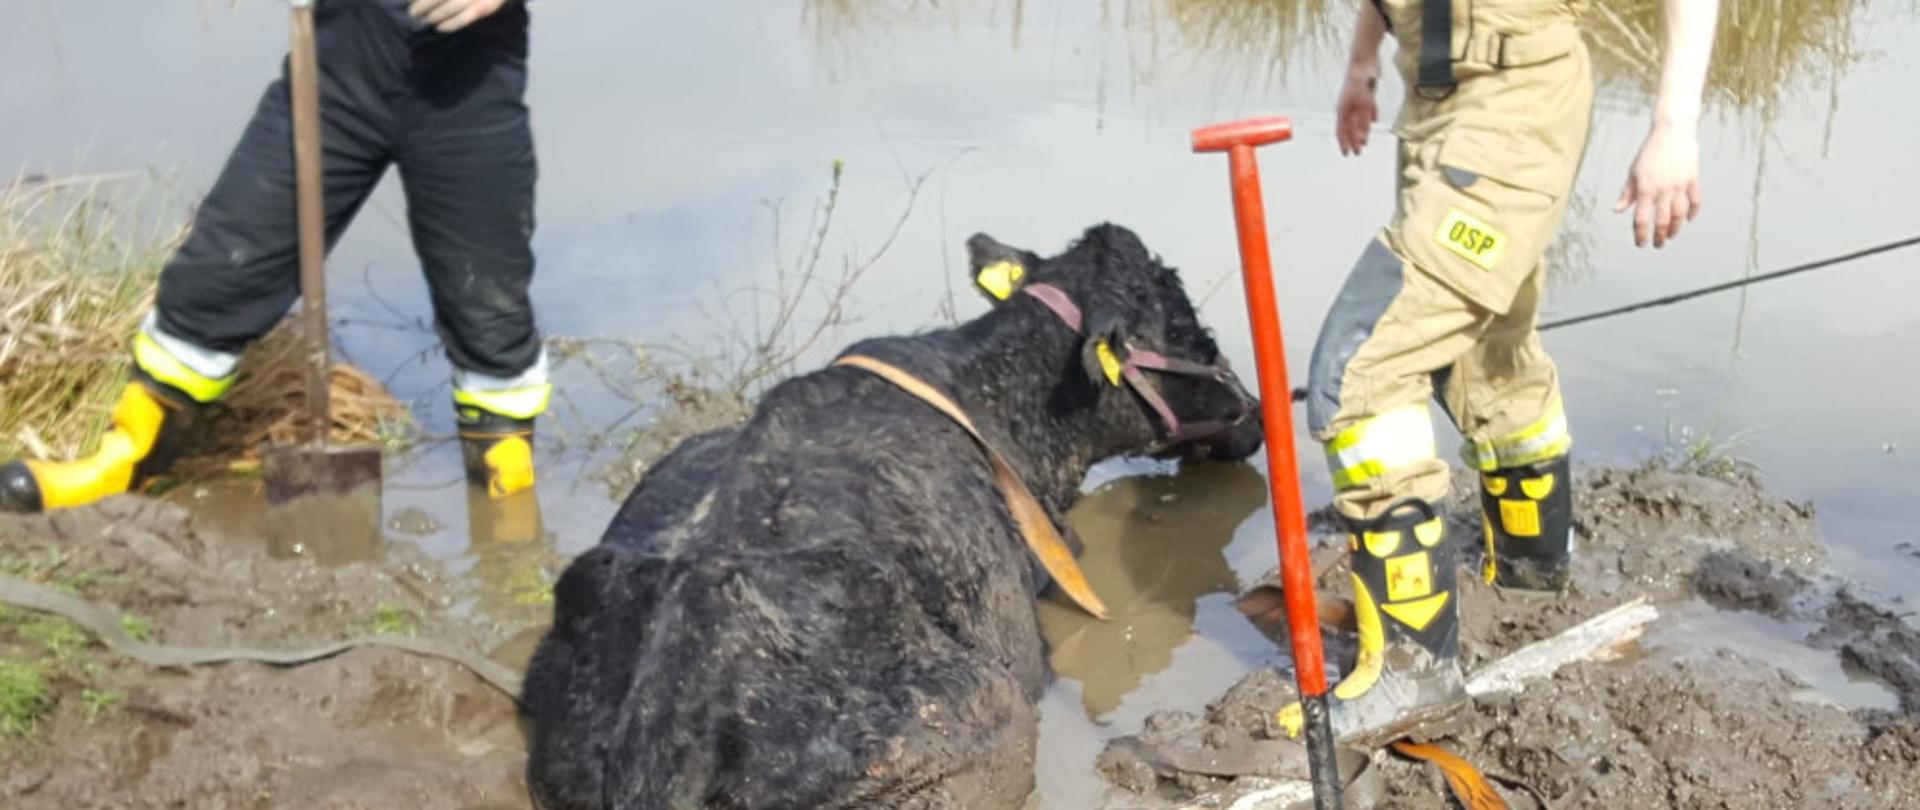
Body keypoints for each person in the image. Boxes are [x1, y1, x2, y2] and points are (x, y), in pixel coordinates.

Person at [1280, 0, 1719, 740]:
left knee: (1363, 369)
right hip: (1432, 107)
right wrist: (1362, 65)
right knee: (1484, 353)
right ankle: (1533, 570)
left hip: (1516, 107)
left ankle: (1412, 675)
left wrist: (1674, 126)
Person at [0, 0, 547, 515]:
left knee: (488, 307)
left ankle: (508, 509)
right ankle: (126, 458)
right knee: (220, 270)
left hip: (467, 89)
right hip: (333, 72)